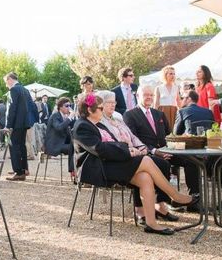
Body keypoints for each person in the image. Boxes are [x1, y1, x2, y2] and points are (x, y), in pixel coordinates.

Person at [72, 94, 198, 235]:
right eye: (101, 108)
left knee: (145, 177)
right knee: (146, 160)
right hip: (98, 169)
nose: (103, 110)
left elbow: (113, 143)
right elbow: (99, 149)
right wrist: (128, 151)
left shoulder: (98, 124)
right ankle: (174, 195)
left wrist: (129, 149)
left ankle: (151, 223)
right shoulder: (81, 126)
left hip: (110, 163)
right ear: (90, 110)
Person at [123, 86, 196, 218]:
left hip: (165, 150)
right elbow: (133, 139)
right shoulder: (130, 115)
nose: (149, 97)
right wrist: (155, 151)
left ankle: (195, 201)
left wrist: (177, 142)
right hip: (145, 152)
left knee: (192, 160)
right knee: (162, 164)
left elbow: (169, 135)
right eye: (145, 95)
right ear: (137, 96)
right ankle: (161, 204)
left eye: (151, 95)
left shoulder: (159, 114)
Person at [4, 72, 33, 181]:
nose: (6, 85)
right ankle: (24, 168)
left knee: (14, 146)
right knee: (22, 146)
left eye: (6, 82)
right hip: (24, 123)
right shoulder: (25, 90)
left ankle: (18, 171)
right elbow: (30, 106)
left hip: (16, 124)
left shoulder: (13, 90)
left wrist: (8, 125)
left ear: (10, 79)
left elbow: (12, 108)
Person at [44, 97, 76, 177]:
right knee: (73, 149)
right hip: (54, 144)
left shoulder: (65, 116)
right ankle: (73, 172)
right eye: (67, 106)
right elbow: (59, 127)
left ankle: (74, 171)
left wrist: (74, 118)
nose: (69, 108)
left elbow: (72, 128)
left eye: (70, 105)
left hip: (62, 142)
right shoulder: (55, 116)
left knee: (77, 147)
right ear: (60, 107)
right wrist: (69, 118)